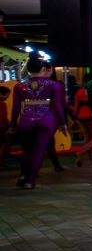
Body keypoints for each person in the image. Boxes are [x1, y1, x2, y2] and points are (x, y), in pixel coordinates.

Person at [11, 55, 67, 189]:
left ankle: (23, 175)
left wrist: (13, 124)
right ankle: (30, 180)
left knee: (26, 150)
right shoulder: (54, 85)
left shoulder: (20, 86)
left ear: (28, 70)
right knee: (39, 150)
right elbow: (58, 106)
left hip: (26, 120)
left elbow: (16, 108)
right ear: (42, 68)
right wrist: (63, 122)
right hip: (46, 120)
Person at [71, 75, 92, 167]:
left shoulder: (79, 92)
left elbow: (76, 107)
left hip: (80, 116)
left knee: (87, 138)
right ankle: (80, 153)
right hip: (90, 116)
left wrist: (74, 119)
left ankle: (86, 159)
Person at [0, 85, 13, 168]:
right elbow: (3, 117)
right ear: (1, 94)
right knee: (7, 141)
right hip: (0, 128)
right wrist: (9, 125)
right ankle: (1, 161)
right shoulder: (2, 104)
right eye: (7, 95)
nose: (7, 97)